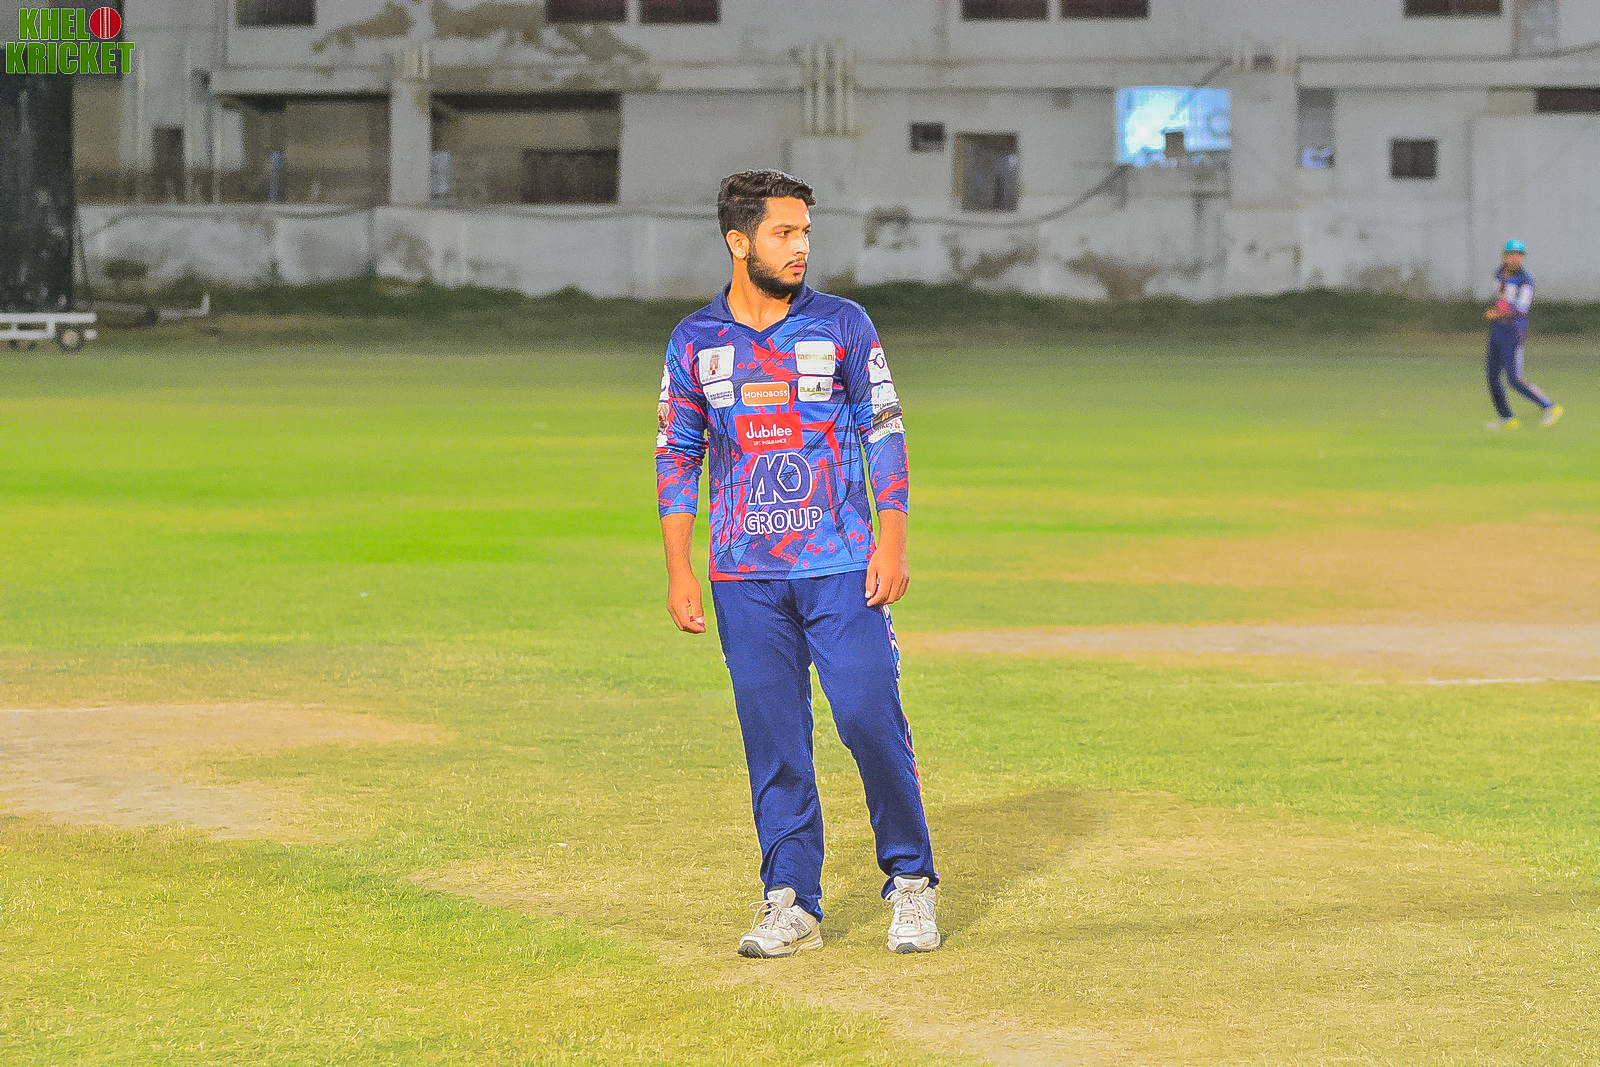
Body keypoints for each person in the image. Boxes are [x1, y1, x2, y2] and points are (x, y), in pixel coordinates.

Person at [654, 170, 940, 958]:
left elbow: (884, 429)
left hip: (842, 563)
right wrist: (680, 568)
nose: (800, 246)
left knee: (868, 716)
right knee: (774, 737)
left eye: (804, 231)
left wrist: (892, 539)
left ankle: (911, 881)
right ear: (737, 241)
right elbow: (676, 454)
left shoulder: (844, 325)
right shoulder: (694, 341)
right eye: (783, 233)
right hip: (744, 576)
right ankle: (791, 901)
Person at [1485, 239, 1562, 430]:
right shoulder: (1499, 274)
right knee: (1492, 376)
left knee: (1514, 379)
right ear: (1504, 256)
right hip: (1497, 330)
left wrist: (1498, 313)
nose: (1514, 259)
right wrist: (1497, 312)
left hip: (1513, 332)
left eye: (1518, 255)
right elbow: (1500, 299)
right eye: (1511, 254)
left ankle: (1549, 407)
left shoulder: (1525, 280)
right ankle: (1506, 418)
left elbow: (1521, 309)